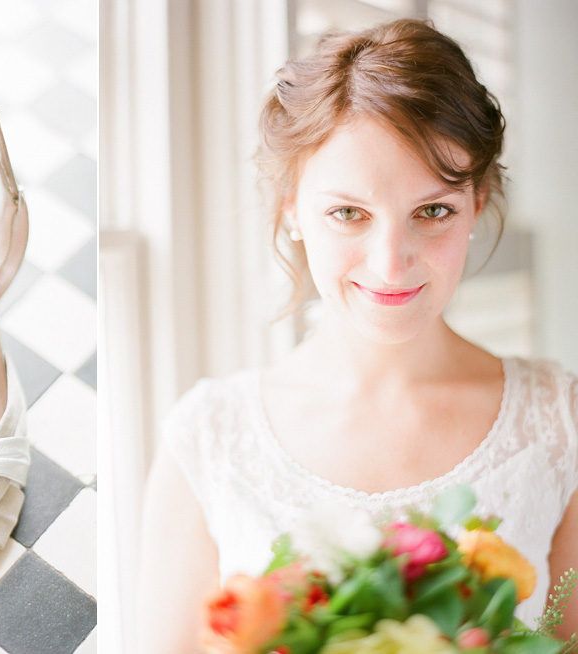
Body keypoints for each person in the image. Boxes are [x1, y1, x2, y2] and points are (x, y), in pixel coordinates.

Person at [136, 18, 578, 652]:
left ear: (477, 200)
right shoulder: (208, 440)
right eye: (349, 213)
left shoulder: (560, 426)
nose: (390, 262)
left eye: (433, 211)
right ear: (292, 205)